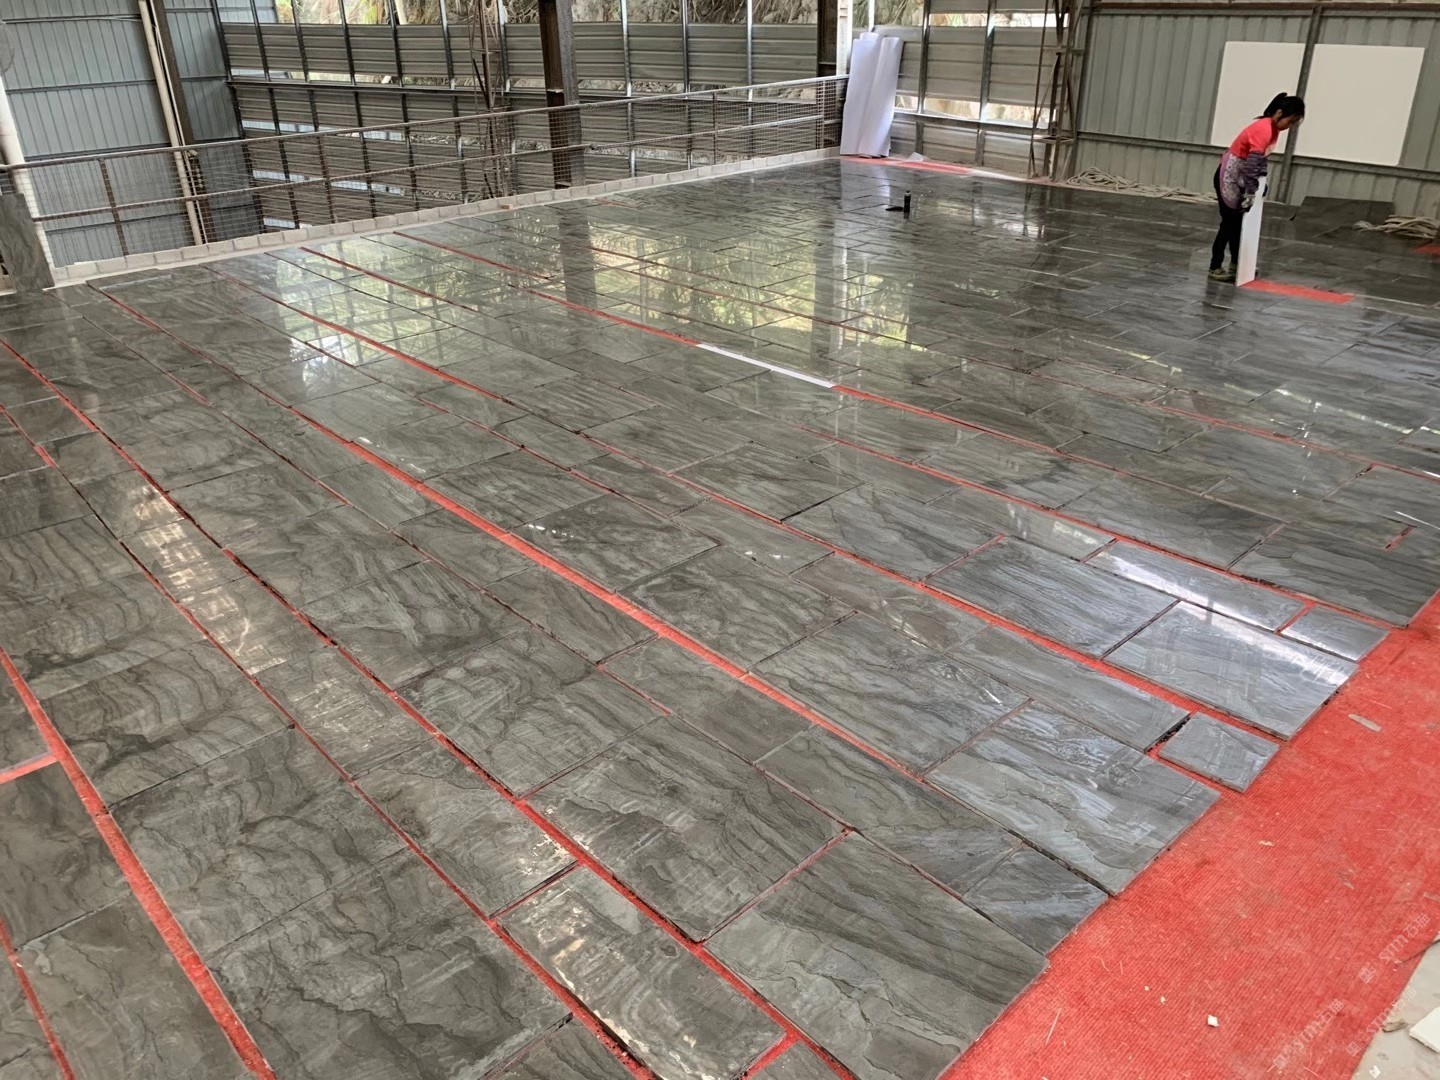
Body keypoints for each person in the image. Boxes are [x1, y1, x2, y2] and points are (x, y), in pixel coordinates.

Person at [1208, 92, 1305, 282]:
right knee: (1229, 224)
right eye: (1291, 121)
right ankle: (1215, 266)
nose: (1290, 126)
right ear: (1279, 113)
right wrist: (1251, 191)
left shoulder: (1273, 129)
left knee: (1237, 224)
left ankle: (1237, 264)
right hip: (1229, 177)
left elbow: (1260, 161)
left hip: (1241, 176)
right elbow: (1252, 164)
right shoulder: (1264, 128)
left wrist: (1261, 184)